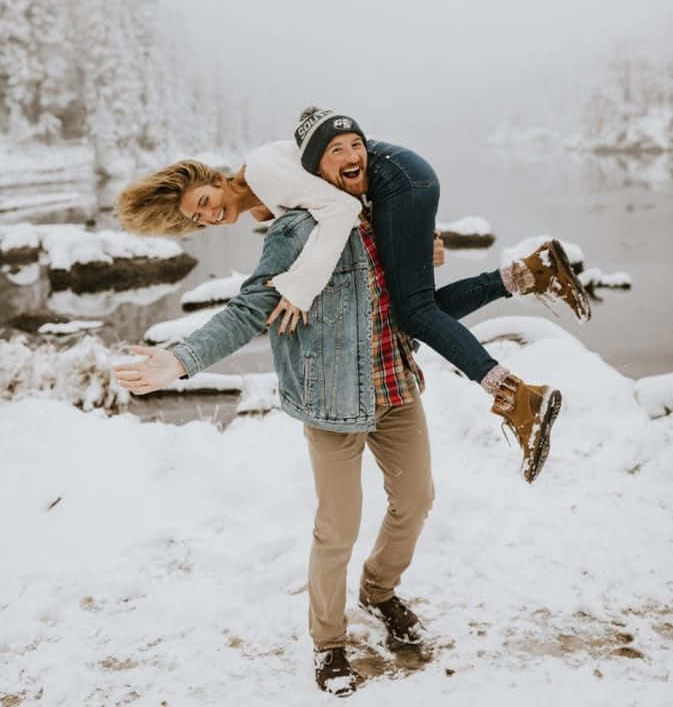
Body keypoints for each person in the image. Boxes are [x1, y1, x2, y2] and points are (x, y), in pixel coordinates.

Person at [117, 107, 590, 485]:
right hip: (397, 179)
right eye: (196, 220)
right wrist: (411, 240)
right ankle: (528, 273)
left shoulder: (261, 170)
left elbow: (340, 207)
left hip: (396, 178)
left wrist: (299, 289)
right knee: (413, 312)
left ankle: (517, 398)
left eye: (203, 201)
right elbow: (348, 206)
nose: (209, 216)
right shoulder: (265, 197)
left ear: (216, 179)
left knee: (418, 311)